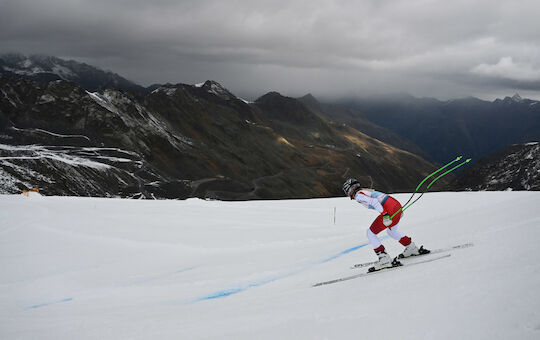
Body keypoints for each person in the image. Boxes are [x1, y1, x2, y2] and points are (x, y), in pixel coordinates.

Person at [342, 178, 429, 271]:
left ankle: (384, 259)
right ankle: (411, 248)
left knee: (370, 233)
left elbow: (374, 202)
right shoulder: (365, 191)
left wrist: (385, 214)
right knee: (392, 231)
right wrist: (396, 210)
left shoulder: (359, 195)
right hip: (395, 206)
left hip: (389, 211)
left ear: (349, 190)